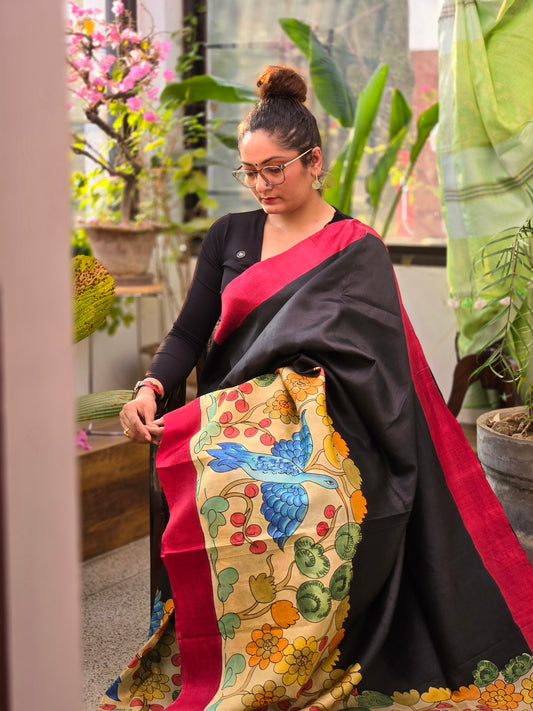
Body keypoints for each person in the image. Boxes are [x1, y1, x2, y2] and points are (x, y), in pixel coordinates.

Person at [104, 66, 533, 711]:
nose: (261, 185)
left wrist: (305, 398)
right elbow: (191, 333)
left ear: (313, 161)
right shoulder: (231, 236)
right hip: (233, 416)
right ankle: (218, 645)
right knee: (217, 477)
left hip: (335, 424)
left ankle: (302, 653)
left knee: (318, 499)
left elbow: (381, 369)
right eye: (249, 172)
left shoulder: (356, 248)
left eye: (274, 169)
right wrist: (149, 388)